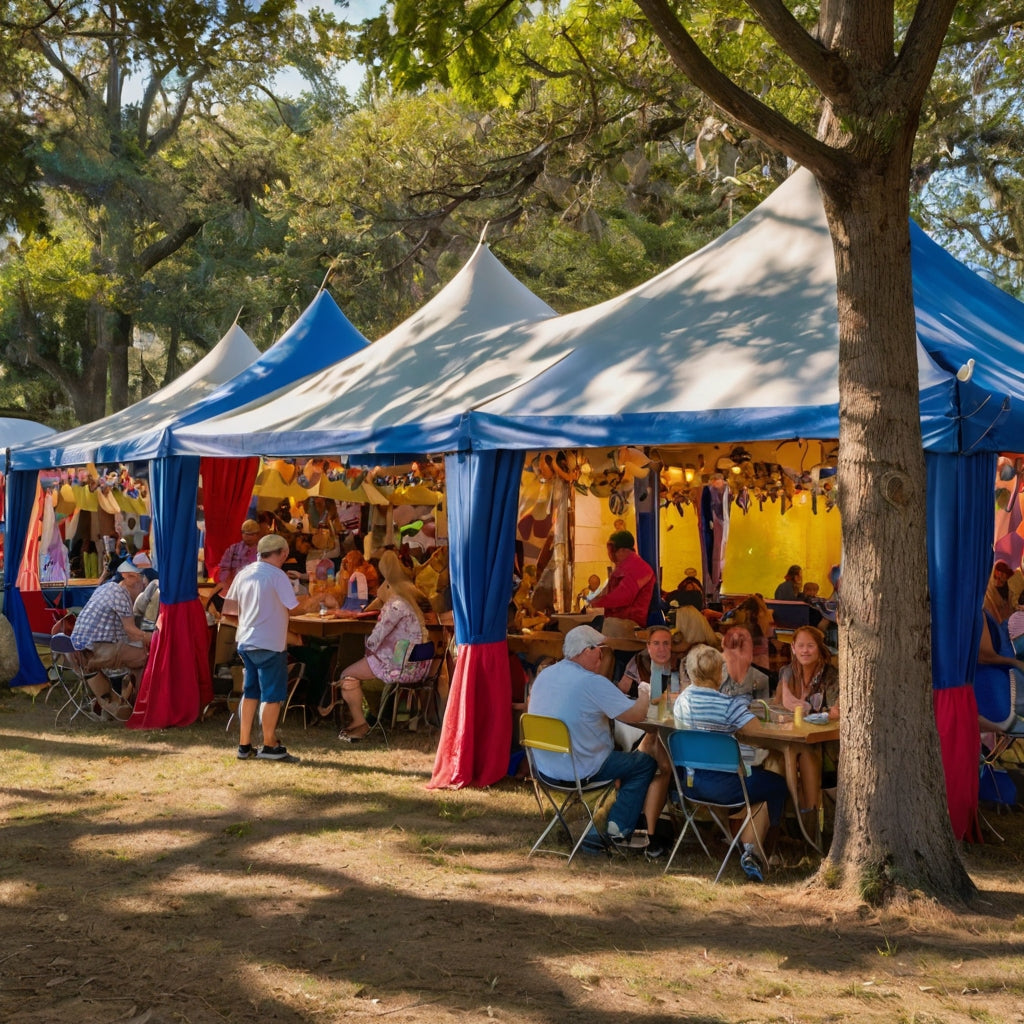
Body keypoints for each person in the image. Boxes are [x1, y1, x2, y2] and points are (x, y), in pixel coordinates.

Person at [528, 625, 658, 855]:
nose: (602, 655)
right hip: (580, 769)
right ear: (587, 650)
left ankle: (604, 825)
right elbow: (636, 715)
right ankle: (613, 832)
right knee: (643, 764)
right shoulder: (592, 682)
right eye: (601, 650)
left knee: (618, 752)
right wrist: (646, 692)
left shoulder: (545, 675)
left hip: (545, 768)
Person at [672, 643, 789, 882]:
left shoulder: (681, 703)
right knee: (776, 785)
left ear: (692, 673)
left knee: (761, 788)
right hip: (728, 786)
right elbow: (758, 733)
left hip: (692, 783)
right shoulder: (728, 705)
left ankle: (745, 845)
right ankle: (759, 851)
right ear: (720, 673)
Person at [322, 549, 431, 742]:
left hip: (397, 665)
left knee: (346, 675)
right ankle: (368, 717)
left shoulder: (395, 605)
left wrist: (368, 644)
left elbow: (376, 638)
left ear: (386, 581)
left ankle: (359, 723)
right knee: (361, 671)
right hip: (419, 666)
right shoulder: (411, 600)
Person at [222, 533, 310, 762]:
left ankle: (244, 745)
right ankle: (270, 744)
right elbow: (294, 608)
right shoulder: (277, 575)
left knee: (250, 692)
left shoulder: (244, 573)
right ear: (283, 553)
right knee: (272, 695)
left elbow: (229, 611)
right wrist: (317, 601)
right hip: (269, 643)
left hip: (246, 641)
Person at [615, 624, 676, 854]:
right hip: (639, 725)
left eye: (666, 643)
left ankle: (639, 825)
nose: (662, 648)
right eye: (657, 643)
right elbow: (621, 690)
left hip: (667, 729)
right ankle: (650, 832)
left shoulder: (679, 668)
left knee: (657, 757)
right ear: (648, 647)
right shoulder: (638, 663)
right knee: (660, 763)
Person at [70, 558, 153, 720]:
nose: (143, 587)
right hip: (93, 651)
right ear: (128, 577)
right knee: (147, 658)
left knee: (136, 657)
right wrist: (155, 637)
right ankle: (141, 707)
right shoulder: (121, 595)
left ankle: (123, 705)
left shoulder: (107, 588)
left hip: (78, 651)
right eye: (142, 582)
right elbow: (132, 632)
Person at [776, 625, 839, 815]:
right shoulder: (787, 672)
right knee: (774, 760)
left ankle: (807, 818)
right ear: (793, 648)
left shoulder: (831, 675)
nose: (805, 650)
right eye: (800, 645)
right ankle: (783, 818)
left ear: (819, 648)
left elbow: (836, 712)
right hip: (792, 739)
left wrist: (808, 711)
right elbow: (781, 705)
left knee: (805, 755)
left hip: (823, 744)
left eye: (810, 646)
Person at [586, 530, 657, 631]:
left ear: (624, 550)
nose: (611, 555)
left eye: (613, 550)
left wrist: (595, 604)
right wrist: (592, 602)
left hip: (629, 625)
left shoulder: (638, 567)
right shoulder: (621, 567)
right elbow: (606, 592)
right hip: (615, 621)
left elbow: (622, 597)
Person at [719, 626, 770, 703]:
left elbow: (762, 710)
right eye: (733, 647)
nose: (737, 653)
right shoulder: (714, 675)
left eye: (741, 648)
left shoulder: (761, 679)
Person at [218, 519, 261, 588]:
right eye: (245, 533)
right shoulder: (233, 549)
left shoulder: (262, 550)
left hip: (255, 585)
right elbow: (224, 567)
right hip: (233, 584)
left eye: (251, 534)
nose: (248, 537)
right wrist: (227, 581)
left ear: (257, 534)